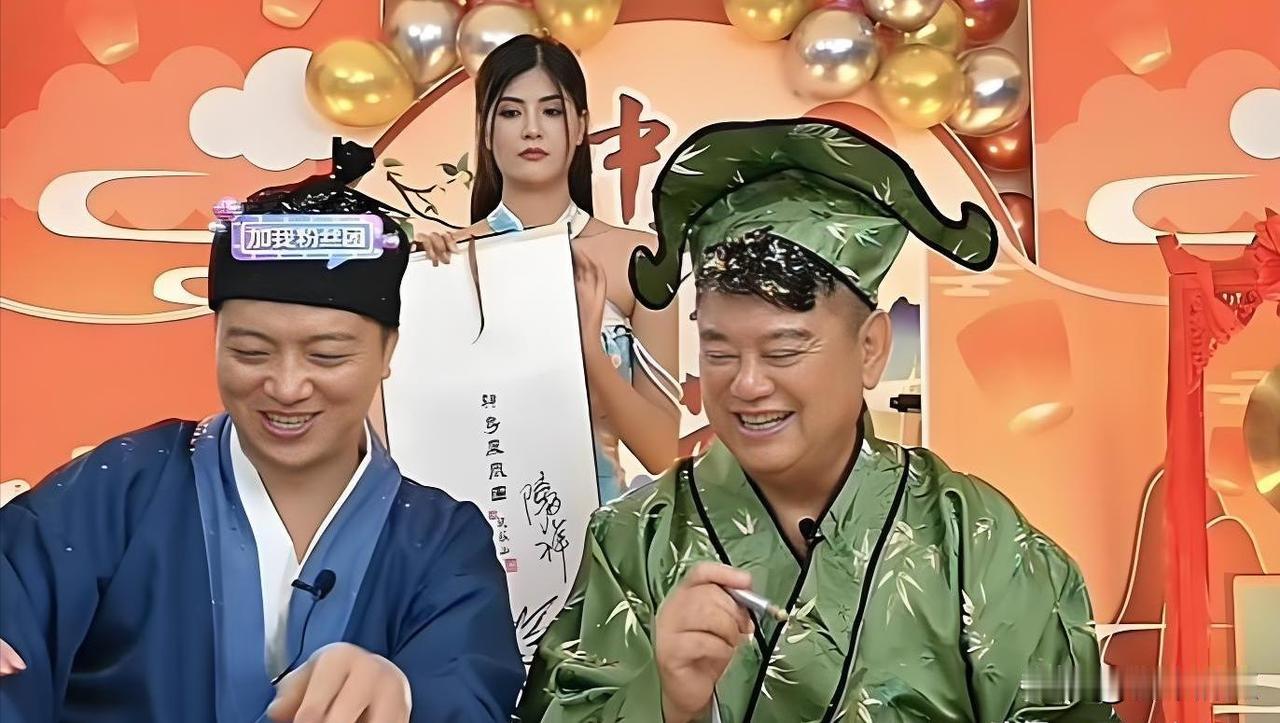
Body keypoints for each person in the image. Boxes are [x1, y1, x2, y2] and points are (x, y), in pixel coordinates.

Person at [517, 119, 1118, 722]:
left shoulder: (979, 542)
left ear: (871, 348)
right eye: (719, 351)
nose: (747, 384)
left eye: (783, 351)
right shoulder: (633, 544)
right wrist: (665, 699)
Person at [0, 142, 524, 722]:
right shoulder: (120, 490)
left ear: (387, 352)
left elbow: (467, 681)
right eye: (251, 351)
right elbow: (15, 600)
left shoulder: (443, 543)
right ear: (216, 339)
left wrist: (405, 693)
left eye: (327, 355)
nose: (287, 386)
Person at [416, 35, 681, 504]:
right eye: (511, 112)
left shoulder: (639, 257)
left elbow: (661, 452)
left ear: (581, 127)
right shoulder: (445, 262)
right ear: (484, 130)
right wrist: (413, 283)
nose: (532, 130)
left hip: (596, 533)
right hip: (471, 529)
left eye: (552, 111)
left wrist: (590, 349)